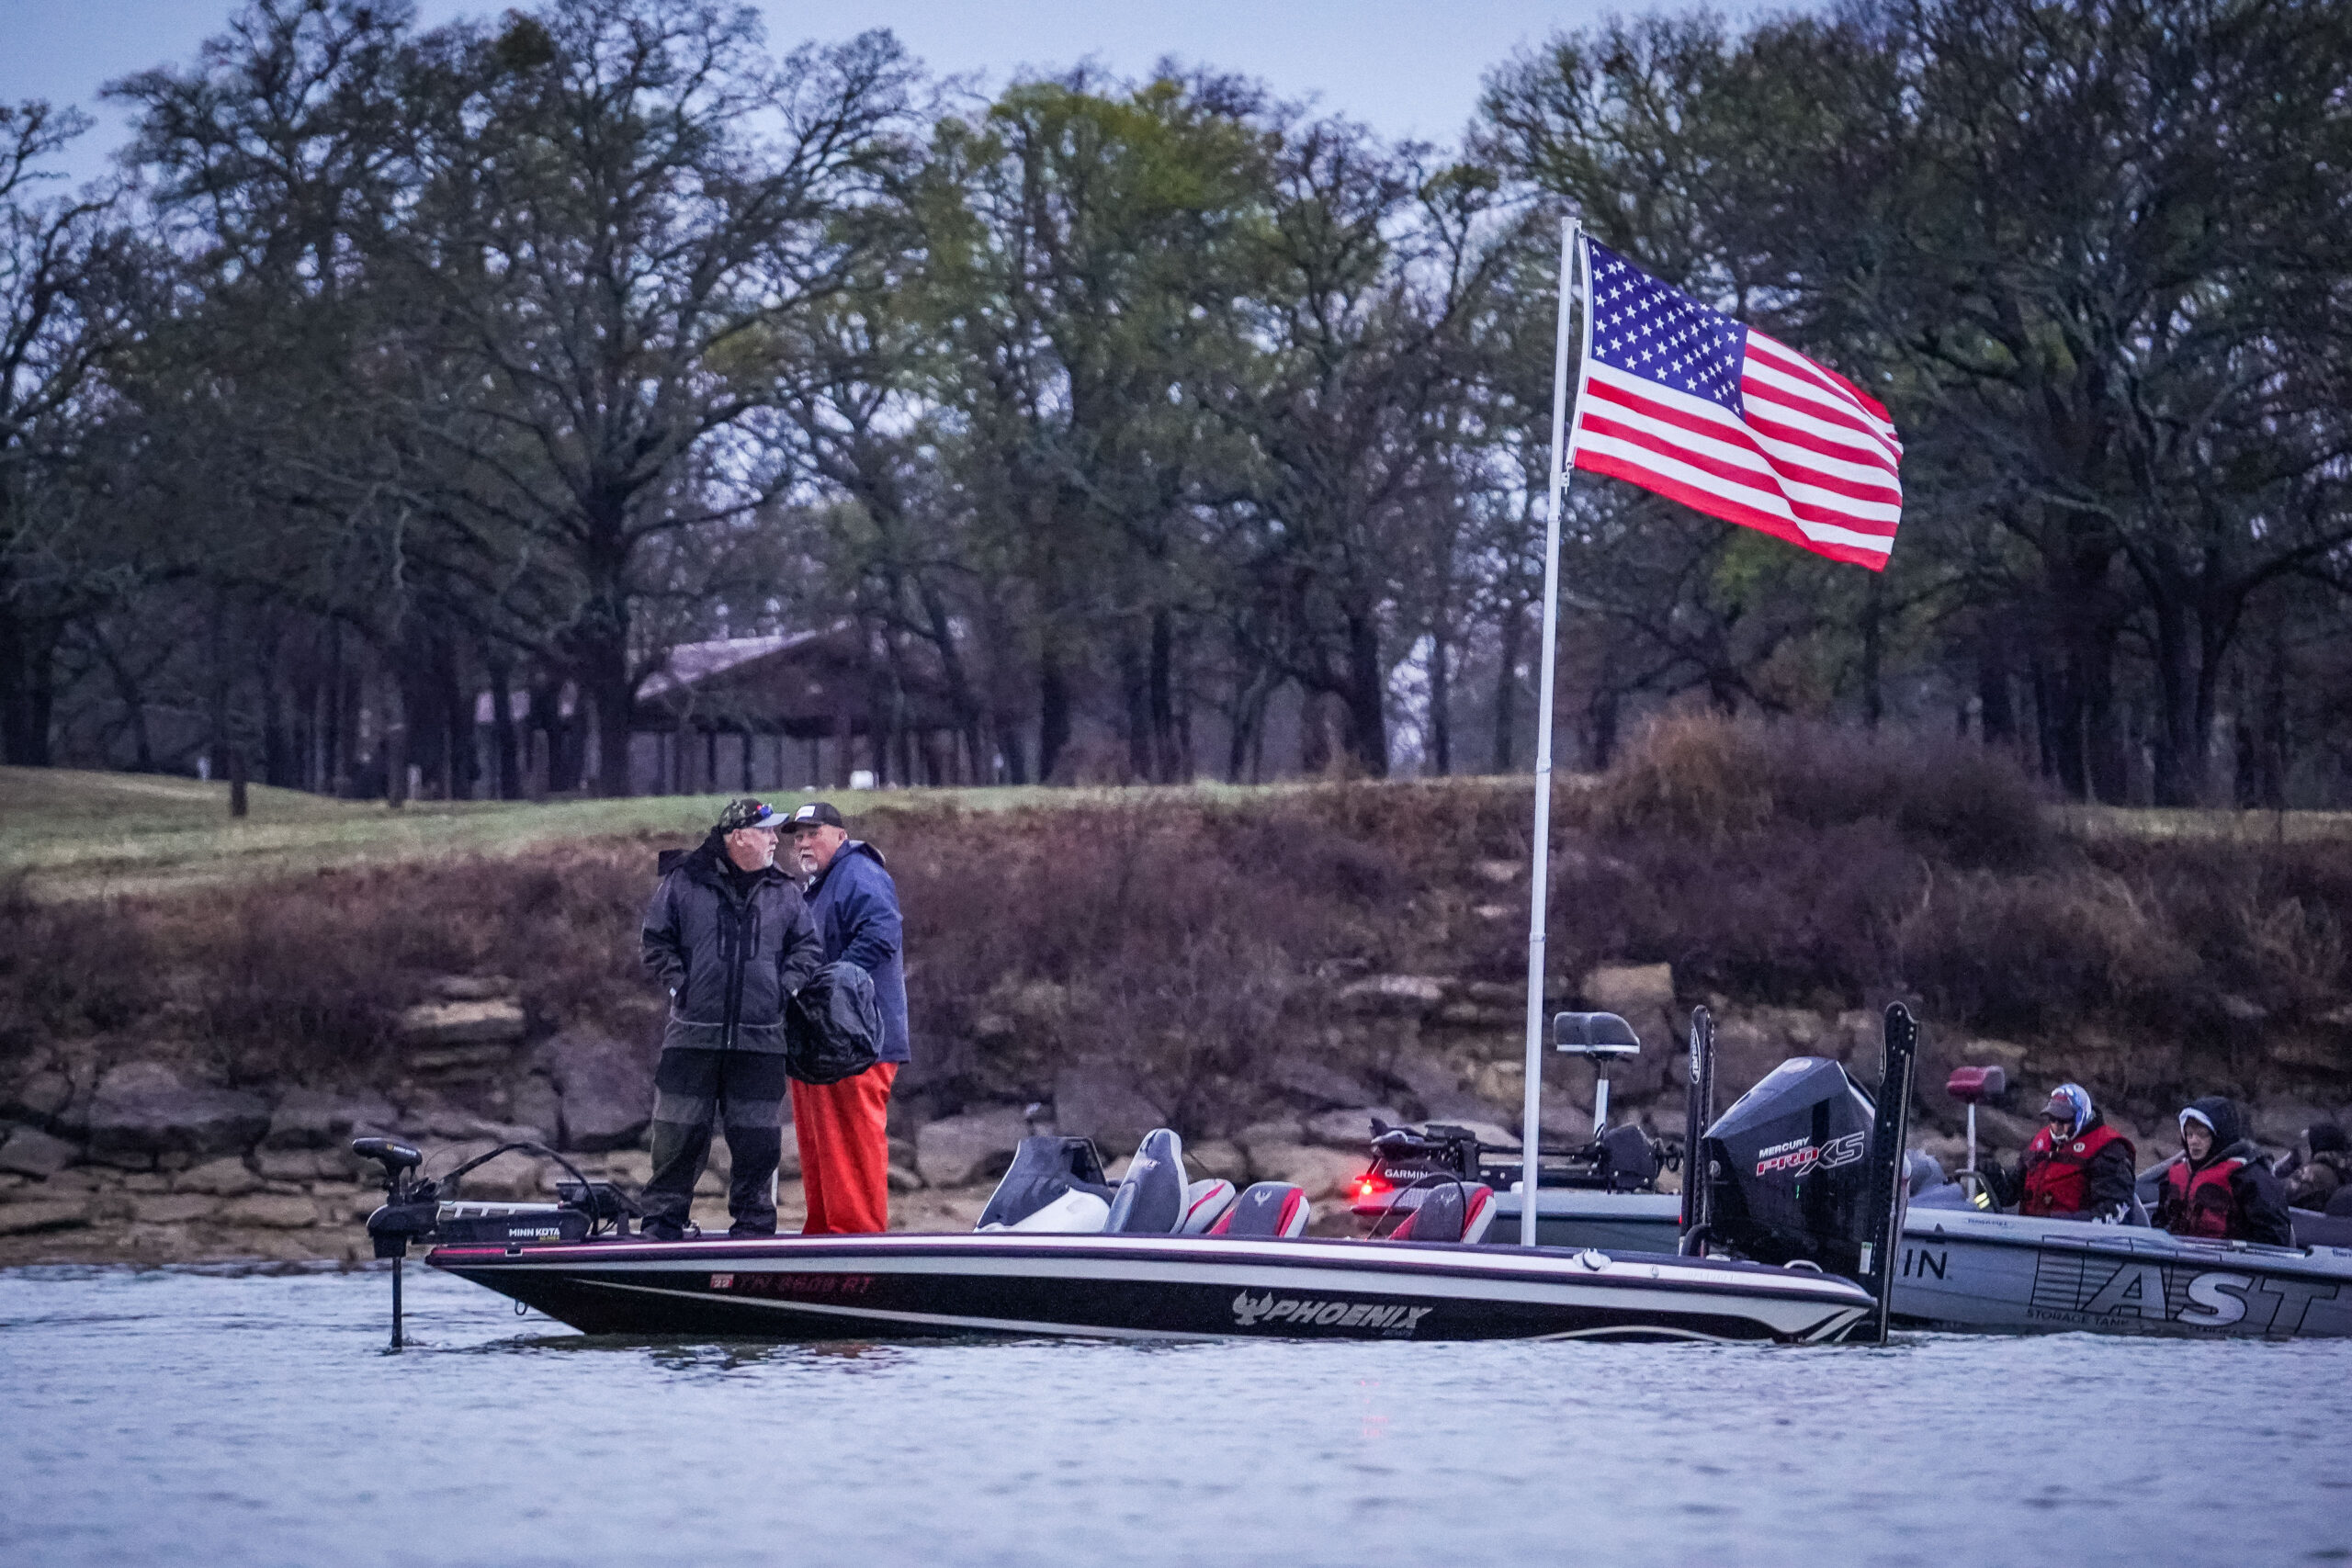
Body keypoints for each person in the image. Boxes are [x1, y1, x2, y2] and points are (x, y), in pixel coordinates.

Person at [638, 797, 823, 1241]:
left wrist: (785, 987)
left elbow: (808, 949)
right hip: (691, 1036)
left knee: (758, 1143)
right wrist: (679, 985)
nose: (776, 839)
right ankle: (662, 1224)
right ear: (738, 836)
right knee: (677, 1137)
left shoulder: (785, 890)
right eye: (767, 832)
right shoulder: (684, 881)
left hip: (761, 1040)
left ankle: (755, 1229)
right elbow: (655, 940)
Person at [785, 800, 910, 1235]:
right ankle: (823, 1240)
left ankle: (857, 1244)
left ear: (840, 835)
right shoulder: (820, 886)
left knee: (849, 1149)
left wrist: (827, 988)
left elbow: (882, 933)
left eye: (812, 833)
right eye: (797, 837)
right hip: (823, 1046)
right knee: (822, 1148)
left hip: (857, 1045)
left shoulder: (859, 874)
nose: (803, 843)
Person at [2154, 1096, 2292, 1246]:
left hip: (2228, 1264)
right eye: (2189, 1134)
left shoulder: (2250, 1177)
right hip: (2176, 1258)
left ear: (2219, 1136)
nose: (2193, 1141)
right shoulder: (2175, 1173)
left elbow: (2274, 1238)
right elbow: (2159, 1222)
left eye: (2202, 1134)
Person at [2018, 1083, 2136, 1223]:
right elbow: (2016, 1183)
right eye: (2052, 1119)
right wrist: (1996, 1176)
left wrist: (2060, 1222)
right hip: (2029, 1233)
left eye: (2064, 1120)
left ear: (2080, 1116)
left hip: (2074, 1240)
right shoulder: (2041, 1142)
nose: (2056, 1126)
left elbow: (2114, 1212)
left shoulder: (2107, 1150)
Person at [2284, 1123, 2350, 1213]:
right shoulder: (2334, 1173)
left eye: (2304, 1146)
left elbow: (2281, 1195)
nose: (2298, 1150)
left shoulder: (2313, 1172)